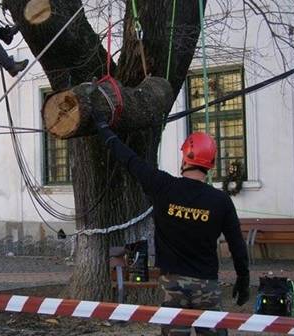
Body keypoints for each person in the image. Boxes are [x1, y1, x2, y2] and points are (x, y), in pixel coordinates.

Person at [91, 111, 250, 336]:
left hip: (172, 284)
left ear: (185, 158)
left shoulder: (162, 186)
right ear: (211, 164)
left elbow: (130, 160)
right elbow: (237, 245)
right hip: (207, 285)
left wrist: (105, 131)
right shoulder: (220, 201)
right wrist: (243, 279)